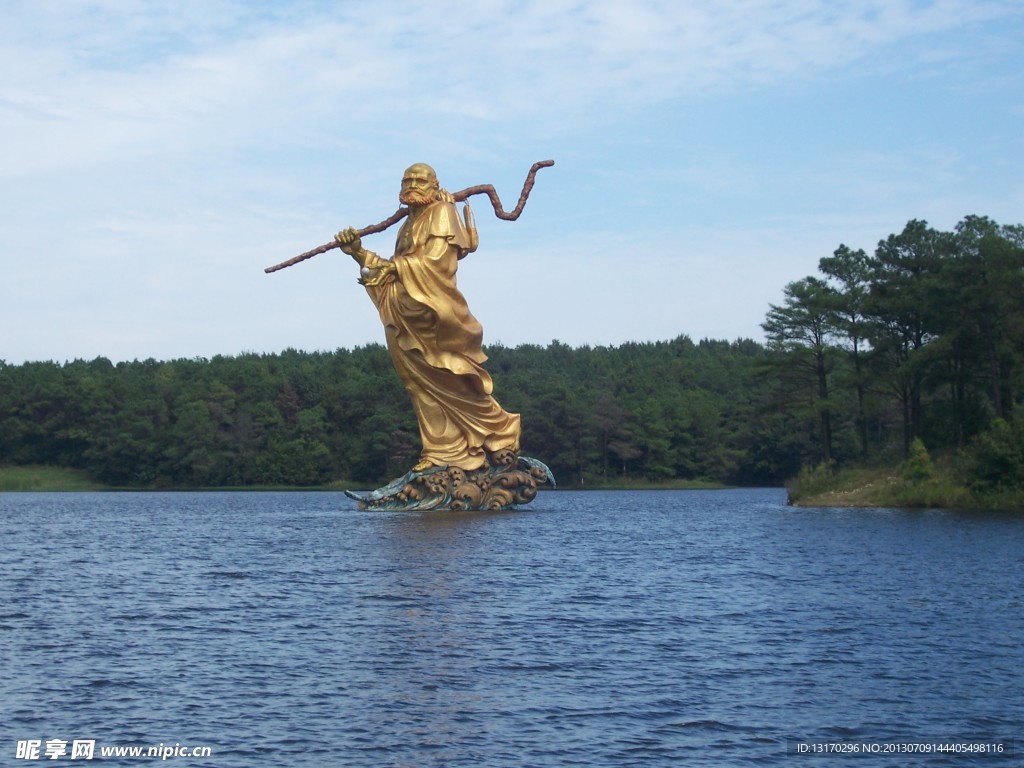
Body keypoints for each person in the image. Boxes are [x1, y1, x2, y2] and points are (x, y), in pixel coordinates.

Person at [335, 163, 521, 473]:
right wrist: (357, 251)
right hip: (404, 312)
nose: (411, 185)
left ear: (434, 186)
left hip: (433, 313)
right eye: (407, 179)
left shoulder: (442, 212)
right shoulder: (406, 225)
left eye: (419, 180)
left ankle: (500, 430)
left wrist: (394, 269)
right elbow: (393, 266)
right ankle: (441, 451)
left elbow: (434, 261)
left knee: (452, 379)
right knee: (417, 384)